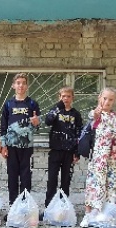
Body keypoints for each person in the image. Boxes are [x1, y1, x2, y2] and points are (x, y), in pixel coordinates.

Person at [80, 87, 116, 227]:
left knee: (110, 182)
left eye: (110, 99)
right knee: (94, 182)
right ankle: (88, 213)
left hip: (112, 157)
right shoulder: (96, 113)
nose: (107, 102)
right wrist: (96, 113)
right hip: (99, 156)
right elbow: (93, 116)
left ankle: (104, 212)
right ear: (99, 98)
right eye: (105, 98)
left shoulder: (115, 117)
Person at [0, 73, 41, 210]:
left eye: (23, 82)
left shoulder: (32, 103)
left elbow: (37, 126)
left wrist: (36, 123)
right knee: (12, 177)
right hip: (11, 146)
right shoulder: (8, 104)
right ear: (13, 86)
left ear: (27, 86)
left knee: (25, 176)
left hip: (26, 146)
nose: (21, 85)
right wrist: (3, 145)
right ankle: (12, 205)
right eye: (18, 82)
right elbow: (3, 126)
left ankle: (25, 205)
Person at [42, 86, 83, 220]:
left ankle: (63, 208)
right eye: (63, 96)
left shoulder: (75, 114)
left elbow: (79, 133)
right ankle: (49, 208)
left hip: (69, 152)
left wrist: (77, 152)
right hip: (55, 151)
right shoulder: (55, 110)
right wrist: (57, 107)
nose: (65, 99)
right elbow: (47, 121)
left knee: (66, 181)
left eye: (68, 96)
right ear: (59, 97)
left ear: (72, 98)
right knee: (52, 180)